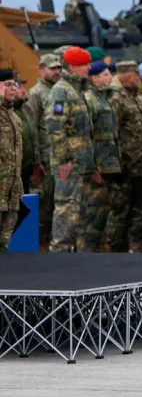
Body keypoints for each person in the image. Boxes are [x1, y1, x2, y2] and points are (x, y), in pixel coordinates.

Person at [44, 46, 95, 252]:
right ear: (73, 67)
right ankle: (59, 256)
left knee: (78, 213)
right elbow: (55, 128)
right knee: (66, 211)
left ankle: (73, 256)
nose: (89, 68)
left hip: (80, 163)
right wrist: (64, 160)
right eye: (85, 65)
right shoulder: (62, 90)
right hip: (68, 164)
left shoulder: (76, 90)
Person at [110, 60, 142, 252]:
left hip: (140, 164)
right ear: (129, 76)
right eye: (137, 75)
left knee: (140, 209)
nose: (139, 79)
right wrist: (114, 164)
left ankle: (135, 245)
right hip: (124, 166)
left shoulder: (134, 96)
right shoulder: (116, 98)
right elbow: (111, 133)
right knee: (120, 210)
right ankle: (116, 248)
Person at [81, 61, 121, 252]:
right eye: (105, 75)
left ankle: (98, 252)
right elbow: (85, 136)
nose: (110, 78)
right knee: (93, 215)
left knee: (105, 213)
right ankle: (86, 253)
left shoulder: (105, 99)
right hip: (98, 166)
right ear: (94, 78)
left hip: (109, 165)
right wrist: (91, 166)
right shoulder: (89, 100)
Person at [25, 54, 60, 246]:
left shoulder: (58, 91)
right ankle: (42, 246)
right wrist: (37, 161)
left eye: (59, 68)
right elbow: (32, 128)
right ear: (42, 69)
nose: (57, 72)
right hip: (45, 159)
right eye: (53, 68)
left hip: (58, 157)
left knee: (56, 204)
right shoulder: (36, 93)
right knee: (44, 206)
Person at [0, 72, 24, 250]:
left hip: (12, 186)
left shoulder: (14, 116)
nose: (13, 88)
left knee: (5, 241)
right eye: (8, 84)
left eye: (14, 84)